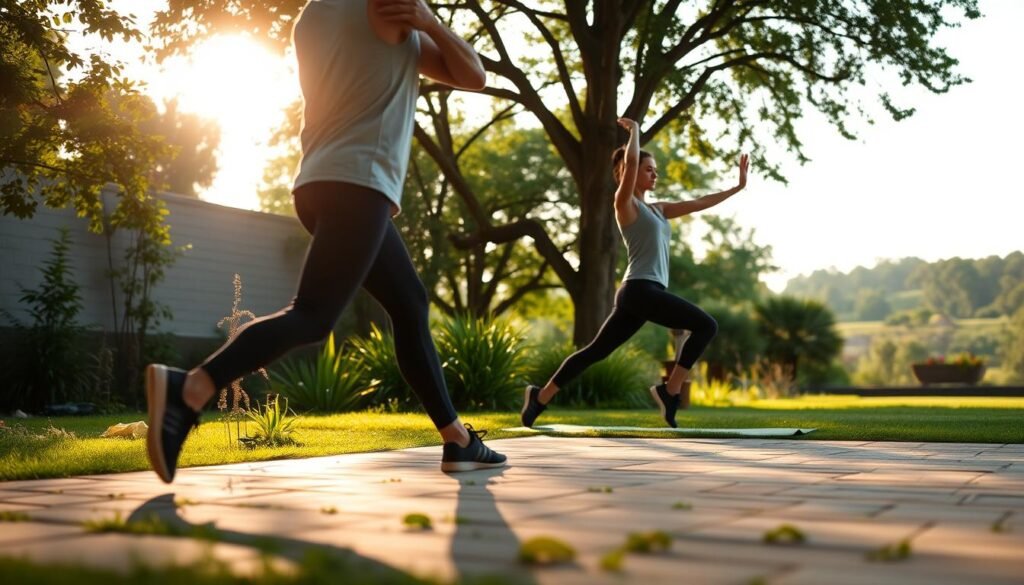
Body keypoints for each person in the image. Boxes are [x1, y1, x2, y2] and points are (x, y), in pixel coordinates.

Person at [145, 0, 506, 483]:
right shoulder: (388, 10)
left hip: (317, 182)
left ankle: (457, 440)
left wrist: (418, 28)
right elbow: (475, 75)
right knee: (312, 316)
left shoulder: (313, 16)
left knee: (409, 302)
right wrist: (430, 22)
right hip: (360, 182)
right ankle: (189, 387)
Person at [521, 117, 749, 429]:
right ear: (627, 173)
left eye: (655, 169)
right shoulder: (625, 204)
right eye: (648, 169)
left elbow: (698, 202)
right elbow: (629, 162)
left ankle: (539, 397)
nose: (655, 173)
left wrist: (737, 187)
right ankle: (670, 392)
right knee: (706, 326)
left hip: (639, 293)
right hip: (641, 290)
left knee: (595, 352)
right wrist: (635, 132)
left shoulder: (658, 209)